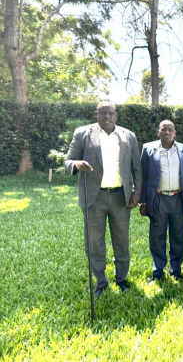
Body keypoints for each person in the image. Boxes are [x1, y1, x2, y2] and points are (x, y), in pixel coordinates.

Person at [65, 101, 142, 298]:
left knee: (121, 241)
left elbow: (137, 169)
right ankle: (100, 281)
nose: (107, 116)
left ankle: (122, 279)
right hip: (94, 198)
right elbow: (68, 160)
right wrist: (76, 164)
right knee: (94, 242)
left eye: (110, 113)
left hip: (120, 197)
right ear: (97, 114)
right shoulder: (82, 133)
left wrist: (136, 194)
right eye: (102, 113)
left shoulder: (128, 136)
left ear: (116, 115)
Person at [139, 120, 183, 281]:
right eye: (164, 129)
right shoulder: (148, 149)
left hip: (178, 199)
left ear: (175, 132)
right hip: (158, 199)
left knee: (178, 236)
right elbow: (143, 176)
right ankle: (158, 272)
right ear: (159, 132)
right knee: (157, 237)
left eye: (170, 130)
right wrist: (143, 202)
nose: (167, 132)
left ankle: (176, 271)